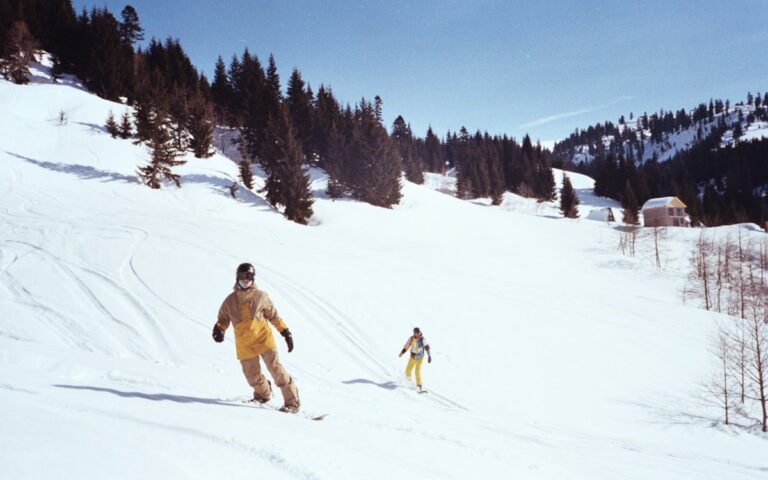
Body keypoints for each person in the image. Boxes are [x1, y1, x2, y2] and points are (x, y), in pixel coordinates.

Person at [212, 262, 300, 413]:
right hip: (244, 344)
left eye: (249, 276)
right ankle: (263, 395)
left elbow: (273, 316)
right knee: (251, 376)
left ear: (253, 278)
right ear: (237, 277)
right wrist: (219, 329)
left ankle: (292, 403)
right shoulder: (230, 300)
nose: (246, 280)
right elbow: (223, 318)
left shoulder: (261, 296)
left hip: (264, 340)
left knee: (276, 370)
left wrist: (285, 332)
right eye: (242, 276)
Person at [398, 327, 432, 391]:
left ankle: (419, 385)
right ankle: (409, 382)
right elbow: (407, 346)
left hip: (420, 357)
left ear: (419, 333)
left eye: (418, 333)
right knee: (407, 371)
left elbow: (427, 347)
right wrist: (402, 353)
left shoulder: (423, 339)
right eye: (415, 333)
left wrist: (429, 356)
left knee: (417, 370)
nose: (417, 334)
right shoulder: (411, 339)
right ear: (414, 333)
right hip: (413, 357)